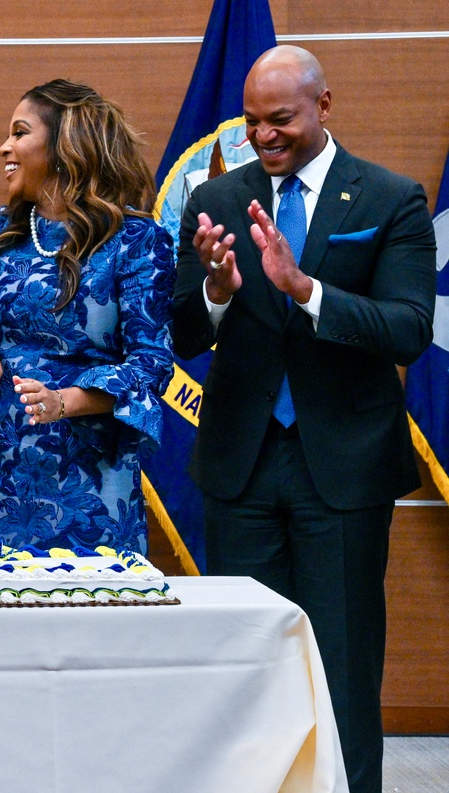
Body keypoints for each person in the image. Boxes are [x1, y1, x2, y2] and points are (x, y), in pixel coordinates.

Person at [172, 46, 436, 793]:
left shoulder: (390, 199)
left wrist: (305, 287)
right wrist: (218, 291)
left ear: (324, 105)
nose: (263, 135)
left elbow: (409, 328)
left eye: (280, 118)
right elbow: (184, 332)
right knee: (245, 662)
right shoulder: (214, 200)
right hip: (240, 465)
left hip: (343, 469)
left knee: (344, 667)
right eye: (253, 121)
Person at [0, 79, 175, 553]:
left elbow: (150, 364)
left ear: (63, 147)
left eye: (19, 133)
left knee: (85, 619)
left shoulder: (137, 240)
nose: (3, 147)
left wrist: (65, 400)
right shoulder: (2, 231)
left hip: (90, 485)